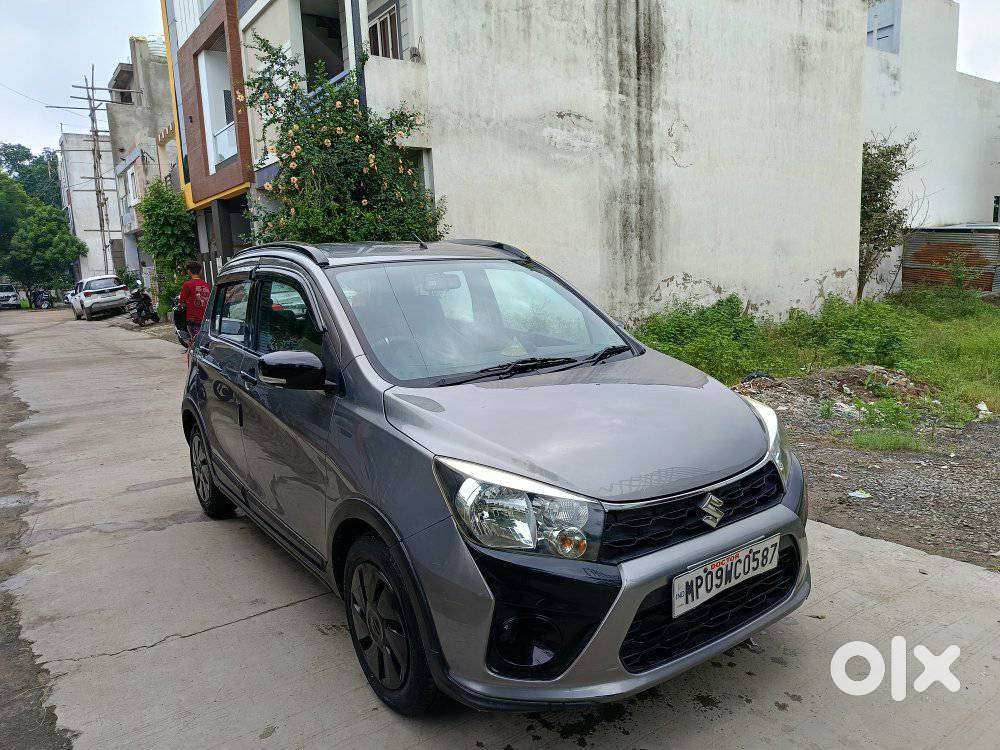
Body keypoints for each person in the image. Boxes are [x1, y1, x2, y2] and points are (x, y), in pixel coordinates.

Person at [178, 261, 211, 346]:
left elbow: (181, 303)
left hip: (193, 319)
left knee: (195, 342)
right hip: (206, 319)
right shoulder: (206, 285)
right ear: (200, 271)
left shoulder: (187, 285)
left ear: (189, 271)